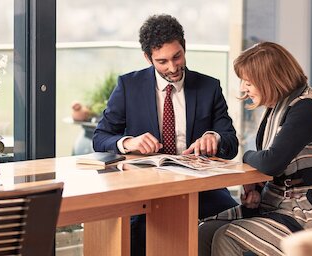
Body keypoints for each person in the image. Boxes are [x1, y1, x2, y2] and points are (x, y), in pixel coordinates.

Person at [92, 14, 239, 256]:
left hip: (200, 189)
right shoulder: (129, 86)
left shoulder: (209, 87)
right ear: (147, 57)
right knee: (134, 233)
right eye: (162, 61)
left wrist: (215, 137)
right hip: (146, 189)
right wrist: (129, 142)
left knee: (235, 224)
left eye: (177, 57)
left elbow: (230, 142)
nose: (172, 68)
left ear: (184, 47)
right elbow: (100, 137)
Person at [198, 41, 312, 256]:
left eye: (248, 82)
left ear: (269, 80)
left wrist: (246, 157)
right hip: (280, 205)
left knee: (226, 236)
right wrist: (256, 191)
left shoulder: (306, 107)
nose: (242, 88)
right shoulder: (279, 106)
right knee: (204, 231)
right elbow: (271, 162)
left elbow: (271, 162)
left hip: (307, 215)